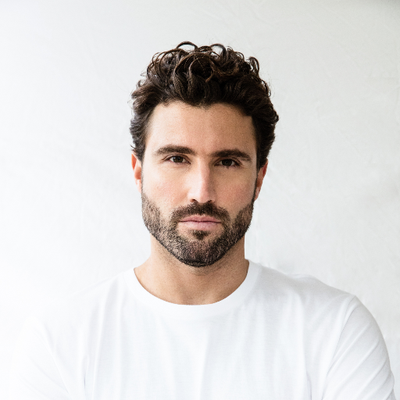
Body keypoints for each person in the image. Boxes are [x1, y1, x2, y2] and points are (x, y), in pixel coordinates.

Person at [9, 42, 395, 400]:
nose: (202, 192)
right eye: (177, 158)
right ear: (139, 172)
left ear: (259, 179)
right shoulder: (60, 341)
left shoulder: (334, 329)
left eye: (227, 162)